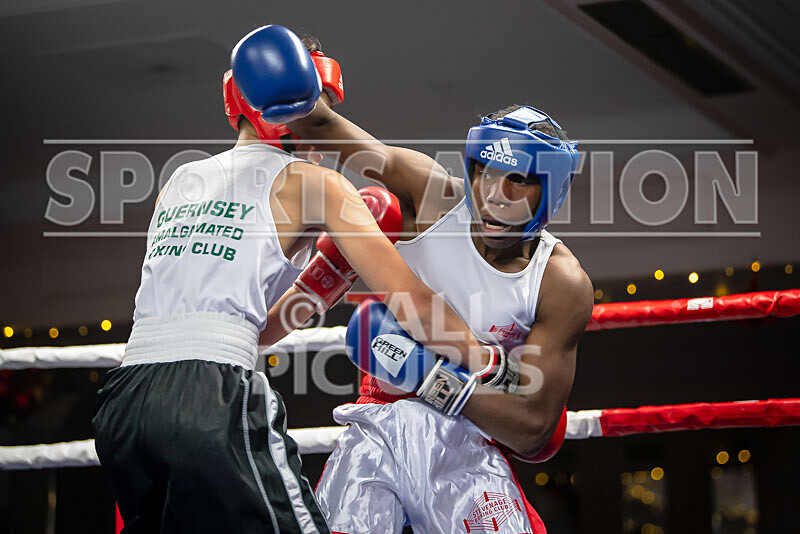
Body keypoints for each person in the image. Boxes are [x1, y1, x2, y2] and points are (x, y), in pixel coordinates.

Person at [92, 25, 499, 534]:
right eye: (318, 115)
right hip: (212, 399)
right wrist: (488, 362)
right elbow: (411, 300)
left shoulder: (180, 180)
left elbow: (235, 325)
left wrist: (318, 285)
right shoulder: (318, 186)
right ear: (292, 111)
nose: (322, 135)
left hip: (124, 405)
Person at [275, 45, 596, 533]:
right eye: (486, 173)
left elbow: (534, 430)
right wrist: (286, 83)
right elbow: (322, 128)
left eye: (518, 182)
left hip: (466, 444)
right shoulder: (431, 195)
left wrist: (428, 377)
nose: (495, 194)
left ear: (549, 191)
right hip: (378, 427)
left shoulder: (559, 282)